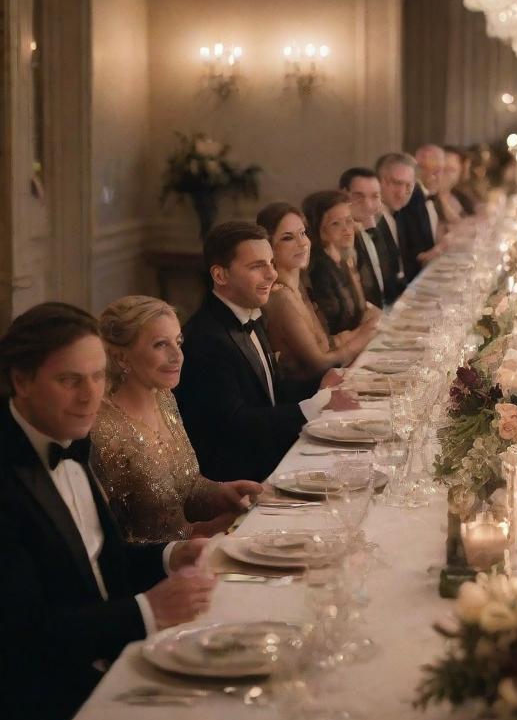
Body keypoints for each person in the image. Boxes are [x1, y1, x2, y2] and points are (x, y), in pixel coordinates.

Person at [0, 303, 215, 720]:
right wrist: (145, 611)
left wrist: (170, 554)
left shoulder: (71, 440)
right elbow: (22, 636)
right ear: (20, 381)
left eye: (97, 377)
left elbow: (98, 564)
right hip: (43, 712)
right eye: (69, 380)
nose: (89, 396)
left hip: (111, 661)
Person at [176, 221, 356, 483]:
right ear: (220, 275)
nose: (272, 275)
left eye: (271, 263)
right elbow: (235, 424)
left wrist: (320, 386)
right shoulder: (206, 339)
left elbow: (270, 393)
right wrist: (314, 405)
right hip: (242, 480)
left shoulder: (250, 313)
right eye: (257, 266)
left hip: (271, 458)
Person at [91, 296, 263, 544]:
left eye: (178, 342)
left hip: (196, 552)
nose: (177, 356)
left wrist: (222, 492)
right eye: (160, 345)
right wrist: (203, 532)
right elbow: (112, 546)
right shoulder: (103, 432)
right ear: (122, 358)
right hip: (157, 572)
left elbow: (185, 485)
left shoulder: (164, 398)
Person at [257, 203, 373, 375]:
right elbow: (320, 364)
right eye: (288, 237)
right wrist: (368, 336)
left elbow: (325, 344)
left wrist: (363, 330)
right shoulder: (279, 297)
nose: (302, 243)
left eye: (303, 233)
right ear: (269, 248)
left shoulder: (297, 286)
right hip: (310, 396)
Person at [304, 190, 382, 342]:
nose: (347, 229)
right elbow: (334, 330)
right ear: (320, 230)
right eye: (335, 224)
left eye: (349, 220)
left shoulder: (342, 258)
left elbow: (361, 310)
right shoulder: (319, 270)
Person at [340, 166, 404, 307]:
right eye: (359, 197)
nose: (368, 205)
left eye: (374, 196)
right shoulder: (340, 239)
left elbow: (391, 276)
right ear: (343, 195)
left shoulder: (378, 224)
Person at [398, 144, 450, 274]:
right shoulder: (412, 200)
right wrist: (440, 248)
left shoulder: (431, 194)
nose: (439, 176)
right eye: (437, 170)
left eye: (440, 170)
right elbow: (416, 255)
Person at [374, 152, 416, 294]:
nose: (402, 193)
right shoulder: (372, 221)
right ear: (378, 182)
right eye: (396, 183)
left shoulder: (399, 215)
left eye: (408, 185)